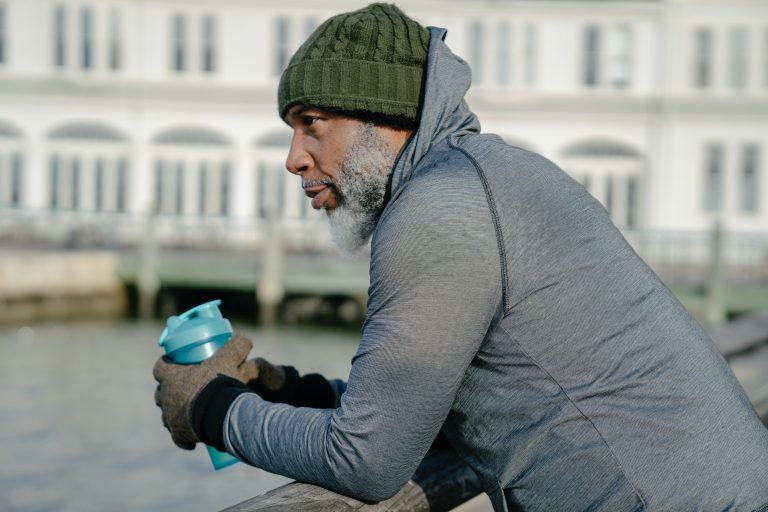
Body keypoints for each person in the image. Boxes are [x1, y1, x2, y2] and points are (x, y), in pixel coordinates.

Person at [153, 3, 768, 510]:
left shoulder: (441, 208)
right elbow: (416, 408)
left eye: (313, 124)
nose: (293, 158)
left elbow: (366, 460)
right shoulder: (484, 176)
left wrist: (209, 407)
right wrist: (286, 392)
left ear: (383, 118)